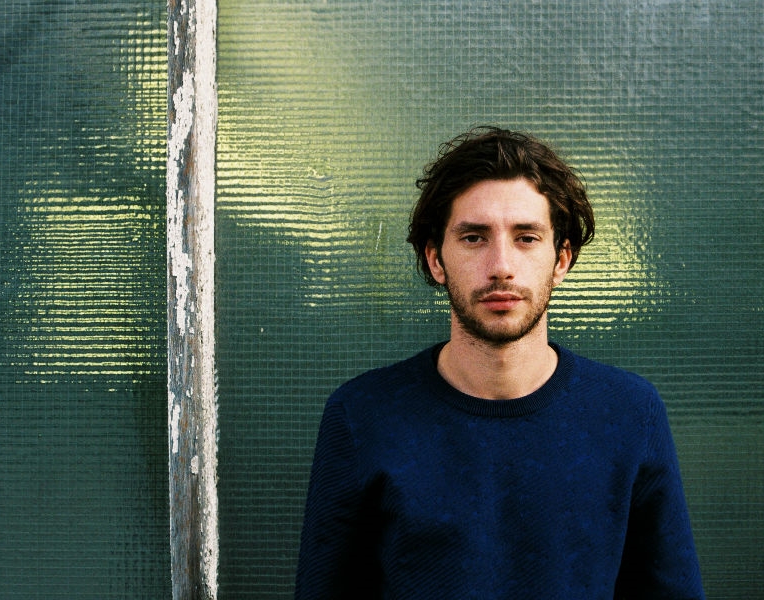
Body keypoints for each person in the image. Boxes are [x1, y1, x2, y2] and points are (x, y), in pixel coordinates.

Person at [295, 127, 704, 599]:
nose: (501, 266)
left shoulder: (630, 413)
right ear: (436, 259)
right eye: (474, 238)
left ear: (561, 260)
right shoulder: (363, 415)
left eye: (527, 238)